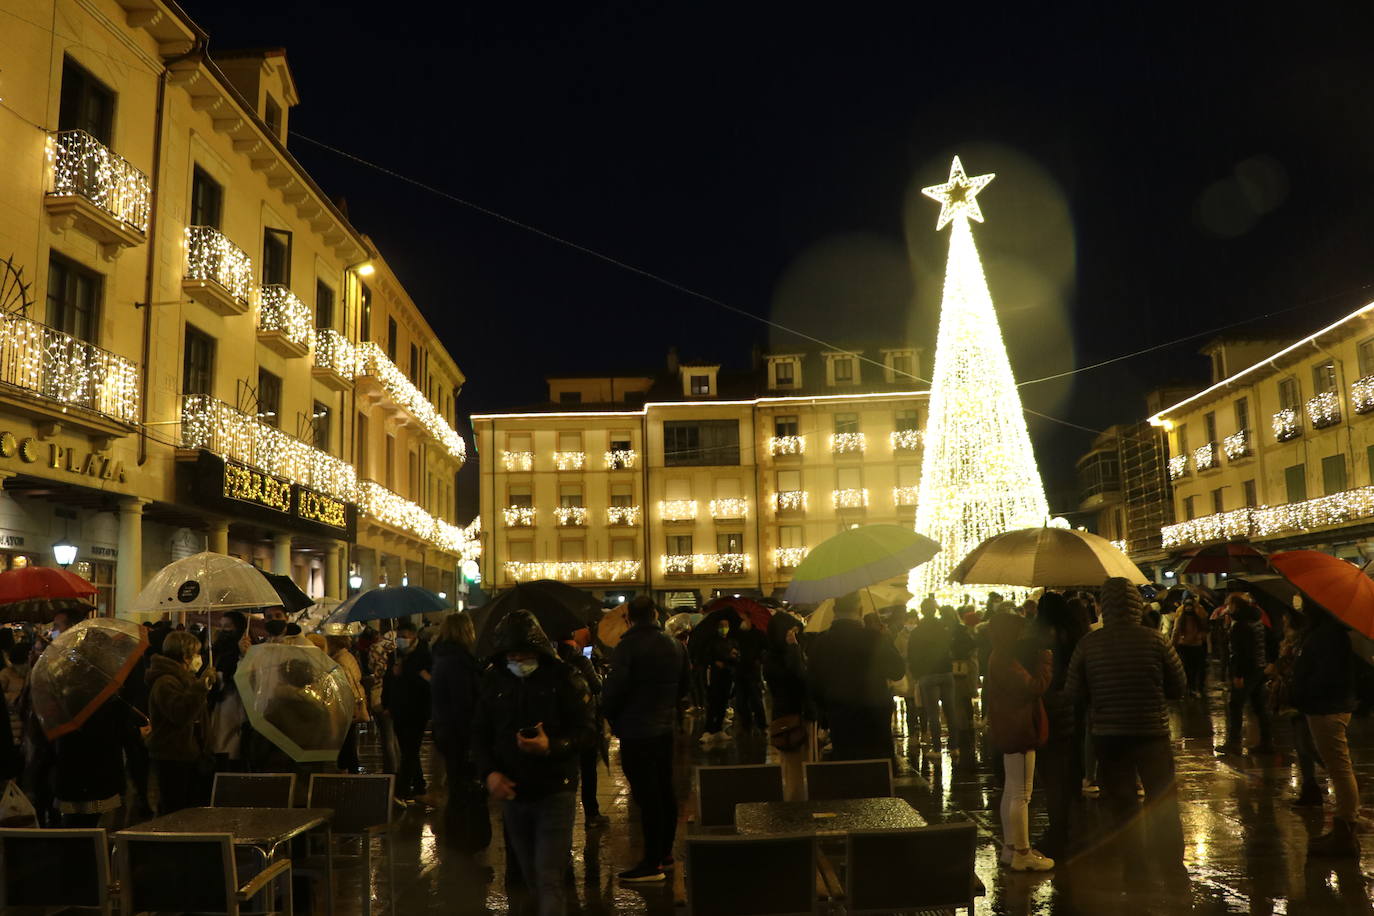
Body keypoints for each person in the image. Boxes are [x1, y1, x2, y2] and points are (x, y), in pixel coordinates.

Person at [1065, 578, 1187, 886]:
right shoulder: (1155, 640)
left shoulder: (1089, 644)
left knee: (1121, 801)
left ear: (1103, 606)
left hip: (1109, 734)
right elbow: (1179, 686)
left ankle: (1135, 864)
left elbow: (1073, 693)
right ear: (1136, 604)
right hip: (1152, 732)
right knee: (1161, 798)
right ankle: (1170, 862)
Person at [473, 610, 595, 916]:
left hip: (555, 790)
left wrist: (551, 746)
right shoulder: (493, 680)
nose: (518, 661)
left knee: (548, 877)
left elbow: (588, 732)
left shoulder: (564, 678)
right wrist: (489, 774)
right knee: (529, 874)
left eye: (524, 653)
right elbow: (480, 734)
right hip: (513, 793)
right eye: (512, 654)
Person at [602, 595, 690, 883]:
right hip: (664, 728)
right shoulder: (674, 644)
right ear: (655, 614)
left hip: (636, 730)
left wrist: (612, 717)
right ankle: (664, 853)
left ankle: (651, 863)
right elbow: (684, 686)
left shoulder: (627, 647)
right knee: (665, 791)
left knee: (647, 796)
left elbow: (615, 691)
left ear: (630, 617)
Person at [986, 613, 1054, 871]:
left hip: (1009, 727)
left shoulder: (998, 655)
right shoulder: (1006, 660)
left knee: (1012, 790)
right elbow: (1034, 687)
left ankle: (1011, 847)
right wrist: (1046, 661)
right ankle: (1022, 853)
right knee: (1022, 794)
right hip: (1020, 729)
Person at [1293, 605, 1361, 856]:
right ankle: (1343, 828)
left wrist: (1302, 692)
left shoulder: (1327, 636)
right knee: (1338, 767)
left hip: (1327, 707)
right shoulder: (1327, 633)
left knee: (1340, 768)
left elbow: (1323, 675)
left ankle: (1345, 831)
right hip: (1326, 705)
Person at [1026, 591, 1088, 862]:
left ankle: (1059, 832)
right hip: (1073, 705)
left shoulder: (1039, 637)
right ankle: (1075, 829)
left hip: (1049, 706)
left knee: (1053, 775)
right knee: (1071, 771)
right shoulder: (1075, 633)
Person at [808, 591, 905, 760]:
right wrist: (886, 639)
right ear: (860, 611)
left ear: (834, 612)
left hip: (840, 717)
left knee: (849, 770)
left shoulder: (821, 643)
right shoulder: (873, 638)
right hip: (874, 717)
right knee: (876, 770)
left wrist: (828, 711)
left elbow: (814, 685)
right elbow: (897, 671)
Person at [430, 612, 487, 853]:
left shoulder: (445, 658)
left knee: (456, 785)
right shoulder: (458, 662)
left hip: (446, 730)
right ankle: (462, 838)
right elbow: (463, 704)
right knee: (462, 788)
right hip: (458, 734)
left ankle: (457, 836)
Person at [146, 630, 215, 814]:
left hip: (190, 755)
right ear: (185, 656)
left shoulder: (185, 679)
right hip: (173, 756)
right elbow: (180, 714)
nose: (198, 658)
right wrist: (200, 688)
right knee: (175, 809)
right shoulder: (165, 682)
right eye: (196, 654)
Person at [555, 627, 608, 828]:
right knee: (588, 769)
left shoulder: (550, 662)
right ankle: (591, 814)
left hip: (560, 727)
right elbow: (596, 687)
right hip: (583, 724)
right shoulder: (581, 661)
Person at [764, 611, 815, 801]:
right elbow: (798, 678)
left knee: (802, 765)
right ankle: (795, 809)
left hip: (799, 713)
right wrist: (794, 651)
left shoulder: (790, 653)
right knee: (793, 768)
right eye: (791, 632)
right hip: (789, 717)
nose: (794, 637)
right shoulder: (774, 657)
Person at [1216, 593, 1272, 755]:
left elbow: (1241, 652)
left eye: (1229, 605)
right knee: (1259, 706)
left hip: (1247, 671)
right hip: (1259, 668)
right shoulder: (1257, 621)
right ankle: (1267, 743)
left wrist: (1238, 675)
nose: (1227, 608)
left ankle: (1234, 743)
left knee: (1235, 705)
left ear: (1236, 606)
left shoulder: (1240, 625)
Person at [908, 598, 960, 761]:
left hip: (928, 674)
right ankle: (954, 747)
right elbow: (951, 647)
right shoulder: (943, 629)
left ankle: (937, 748)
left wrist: (917, 674)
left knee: (933, 714)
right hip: (945, 672)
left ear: (922, 611)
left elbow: (912, 655)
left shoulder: (917, 632)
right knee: (951, 712)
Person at [384, 621, 432, 799]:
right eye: (399, 637)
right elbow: (388, 683)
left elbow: (427, 684)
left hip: (417, 710)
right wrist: (386, 704)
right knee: (407, 750)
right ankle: (419, 785)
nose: (401, 640)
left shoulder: (425, 656)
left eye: (404, 636)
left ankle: (402, 789)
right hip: (398, 710)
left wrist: (405, 672)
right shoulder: (394, 656)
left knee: (410, 750)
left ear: (414, 636)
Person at [207, 611, 251, 769]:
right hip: (217, 704)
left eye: (229, 626)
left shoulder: (247, 649)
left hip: (234, 704)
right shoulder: (217, 648)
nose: (224, 630)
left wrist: (243, 655)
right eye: (222, 626)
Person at [326, 631, 368, 773]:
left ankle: (349, 769)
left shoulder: (340, 660)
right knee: (349, 738)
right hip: (352, 702)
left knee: (346, 739)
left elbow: (345, 684)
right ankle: (350, 767)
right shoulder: (348, 656)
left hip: (346, 704)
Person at [699, 617, 739, 745]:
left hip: (727, 676)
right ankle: (708, 730)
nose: (724, 628)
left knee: (723, 703)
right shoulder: (712, 641)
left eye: (726, 625)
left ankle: (718, 729)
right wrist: (715, 662)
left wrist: (733, 656)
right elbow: (706, 657)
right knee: (713, 703)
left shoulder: (732, 642)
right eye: (722, 625)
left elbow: (737, 658)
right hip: (715, 676)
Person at [734, 616, 769, 734]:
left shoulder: (758, 634)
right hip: (739, 671)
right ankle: (746, 724)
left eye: (744, 619)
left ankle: (761, 725)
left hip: (753, 672)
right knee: (741, 701)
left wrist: (759, 659)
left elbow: (766, 649)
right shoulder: (737, 634)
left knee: (756, 700)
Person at [1171, 598, 1210, 698]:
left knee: (1188, 668)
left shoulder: (1181, 617)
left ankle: (1190, 688)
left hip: (1185, 646)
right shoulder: (1198, 617)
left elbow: (1175, 632)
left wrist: (1172, 645)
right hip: (1195, 646)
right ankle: (1196, 688)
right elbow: (1205, 630)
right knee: (1196, 668)